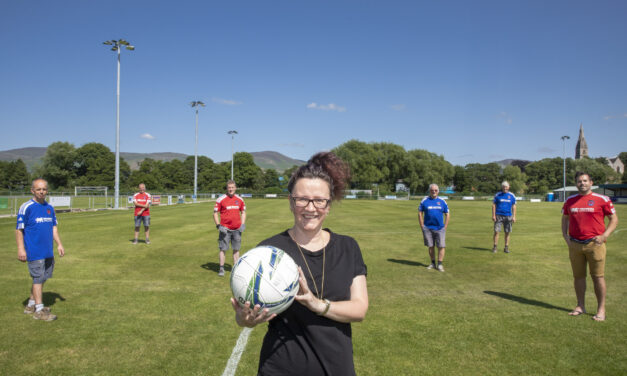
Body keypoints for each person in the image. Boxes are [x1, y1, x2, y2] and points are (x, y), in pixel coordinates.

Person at [230, 152, 368, 376]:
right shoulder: (268, 251)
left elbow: (360, 308)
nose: (310, 208)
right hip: (280, 368)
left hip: (336, 369)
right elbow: (249, 314)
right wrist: (244, 319)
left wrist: (318, 305)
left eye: (319, 201)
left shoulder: (348, 248)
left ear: (328, 205)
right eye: (302, 199)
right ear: (291, 202)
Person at [562, 171, 618, 322]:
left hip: (595, 244)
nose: (582, 183)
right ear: (576, 183)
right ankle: (580, 306)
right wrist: (565, 236)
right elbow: (565, 218)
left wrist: (604, 235)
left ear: (591, 182)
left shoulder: (602, 199)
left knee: (598, 277)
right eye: (579, 181)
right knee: (578, 277)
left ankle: (601, 309)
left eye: (585, 181)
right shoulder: (570, 200)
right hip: (575, 245)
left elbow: (614, 219)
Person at [15, 178, 65, 321]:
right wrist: (21, 249)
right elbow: (19, 230)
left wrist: (59, 244)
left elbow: (53, 227)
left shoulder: (49, 208)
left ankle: (31, 305)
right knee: (38, 278)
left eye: (44, 189)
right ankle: (39, 310)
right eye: (38, 189)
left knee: (42, 278)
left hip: (47, 250)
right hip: (34, 250)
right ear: (33, 191)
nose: (42, 192)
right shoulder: (26, 207)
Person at [214, 180, 246, 277]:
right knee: (223, 249)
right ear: (227, 188)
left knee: (236, 249)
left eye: (232, 187)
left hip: (237, 229)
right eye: (229, 188)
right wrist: (218, 225)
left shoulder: (240, 200)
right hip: (225, 229)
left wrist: (242, 224)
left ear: (235, 188)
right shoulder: (220, 199)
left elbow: (243, 212)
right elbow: (215, 213)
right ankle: (221, 268)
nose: (231, 189)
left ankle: (236, 268)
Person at [419, 184, 450, 272]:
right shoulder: (425, 200)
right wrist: (422, 225)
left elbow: (447, 214)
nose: (434, 192)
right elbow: (420, 212)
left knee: (441, 246)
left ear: (438, 191)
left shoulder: (442, 201)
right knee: (431, 246)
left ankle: (439, 264)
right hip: (428, 228)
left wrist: (445, 226)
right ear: (430, 191)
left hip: (440, 228)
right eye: (432, 190)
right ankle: (432, 263)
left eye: (436, 190)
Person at [492, 181, 517, 253]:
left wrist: (514, 216)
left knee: (507, 232)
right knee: (496, 231)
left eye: (506, 186)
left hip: (508, 216)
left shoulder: (512, 195)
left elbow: (514, 206)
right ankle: (495, 247)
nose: (505, 188)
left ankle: (506, 247)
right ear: (502, 187)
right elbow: (494, 205)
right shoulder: (497, 195)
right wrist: (493, 215)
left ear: (509, 187)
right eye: (504, 186)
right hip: (498, 216)